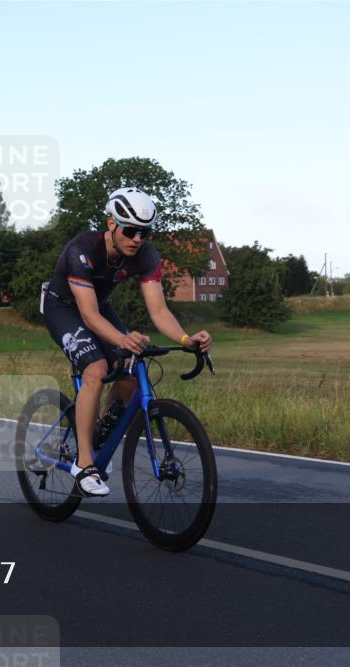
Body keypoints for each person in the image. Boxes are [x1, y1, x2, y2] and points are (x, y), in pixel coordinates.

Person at [43, 187, 213, 496]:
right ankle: (84, 463)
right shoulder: (82, 249)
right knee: (95, 368)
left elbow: (159, 310)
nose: (137, 239)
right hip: (63, 308)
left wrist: (187, 339)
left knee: (130, 368)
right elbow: (90, 316)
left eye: (144, 232)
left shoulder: (146, 256)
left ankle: (99, 434)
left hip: (99, 306)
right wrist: (123, 337)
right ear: (112, 224)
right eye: (131, 230)